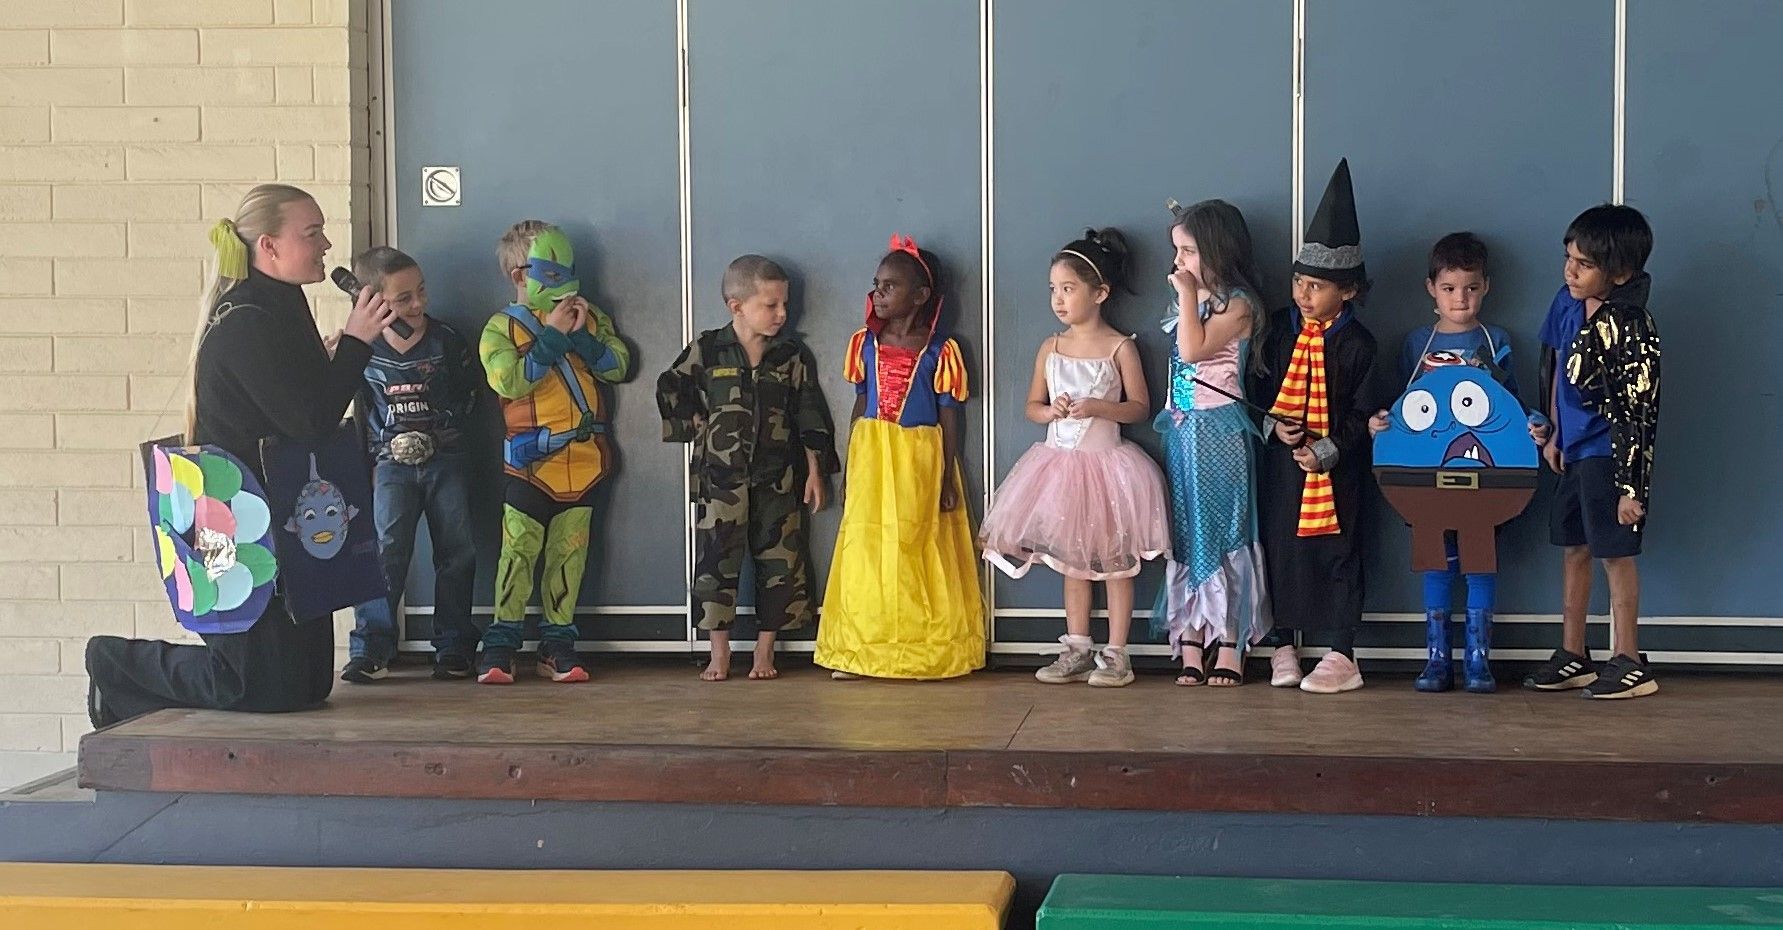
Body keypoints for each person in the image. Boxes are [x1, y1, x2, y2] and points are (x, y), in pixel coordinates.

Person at [85, 183, 399, 726]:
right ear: (269, 247)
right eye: (312, 234)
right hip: (227, 515)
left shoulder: (281, 302)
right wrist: (356, 343)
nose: (326, 245)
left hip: (280, 509)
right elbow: (309, 421)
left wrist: (332, 358)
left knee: (305, 685)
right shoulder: (244, 319)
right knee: (249, 685)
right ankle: (113, 663)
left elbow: (298, 406)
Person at [979, 228, 1169, 689]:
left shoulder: (1120, 346)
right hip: (1059, 467)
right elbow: (1032, 407)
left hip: (1109, 469)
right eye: (1053, 290)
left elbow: (1141, 408)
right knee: (1071, 563)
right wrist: (1052, 410)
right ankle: (1078, 646)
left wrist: (1100, 407)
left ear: (1100, 293)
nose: (1058, 300)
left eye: (1069, 289)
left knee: (1116, 562)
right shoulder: (1051, 347)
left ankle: (1118, 653)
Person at [657, 255, 838, 681]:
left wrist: (815, 470)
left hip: (779, 478)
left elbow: (809, 413)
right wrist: (695, 425)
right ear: (736, 306)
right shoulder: (708, 347)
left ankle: (764, 651)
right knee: (716, 562)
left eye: (784, 305)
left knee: (782, 563)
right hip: (719, 480)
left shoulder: (790, 354)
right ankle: (718, 653)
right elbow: (671, 386)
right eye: (770, 305)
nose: (781, 314)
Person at [814, 235, 985, 680]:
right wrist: (852, 464)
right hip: (873, 452)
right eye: (877, 285)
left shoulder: (941, 350)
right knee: (869, 548)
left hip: (919, 457)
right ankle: (861, 651)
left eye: (890, 286)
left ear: (922, 296)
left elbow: (950, 417)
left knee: (915, 545)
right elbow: (860, 401)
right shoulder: (864, 344)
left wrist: (947, 476)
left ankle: (919, 651)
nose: (879, 294)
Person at [1524, 204, 1661, 699]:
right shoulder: (1565, 304)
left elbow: (1638, 411)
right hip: (1575, 450)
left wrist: (1630, 487)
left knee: (1615, 553)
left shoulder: (1631, 326)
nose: (1570, 270)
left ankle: (1628, 657)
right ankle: (1573, 653)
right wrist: (1556, 434)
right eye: (1568, 258)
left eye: (1584, 264)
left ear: (1620, 273)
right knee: (1575, 548)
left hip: (1609, 453)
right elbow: (1557, 368)